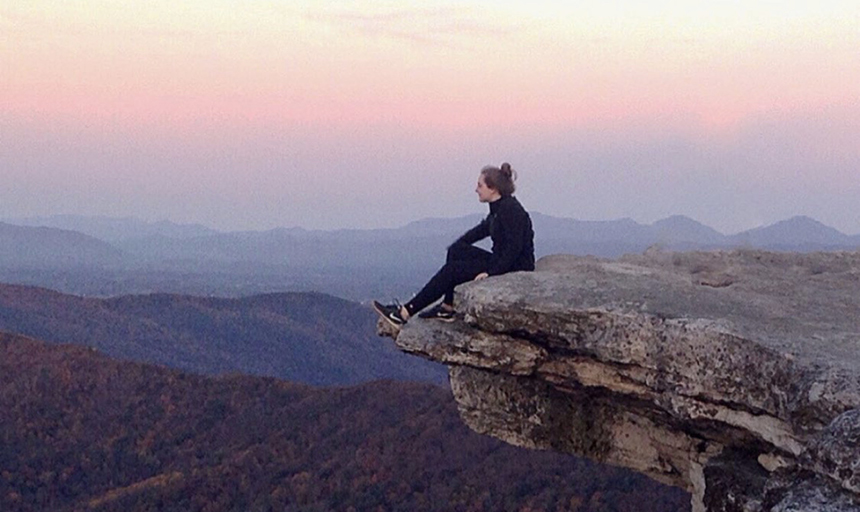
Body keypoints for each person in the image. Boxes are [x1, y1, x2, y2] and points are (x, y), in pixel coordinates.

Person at [373, 162, 535, 327]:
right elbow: (482, 230)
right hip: (502, 260)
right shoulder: (499, 208)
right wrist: (458, 246)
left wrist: (491, 273)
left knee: (452, 271)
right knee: (456, 251)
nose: (476, 189)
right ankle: (447, 307)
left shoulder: (510, 210)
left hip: (515, 267)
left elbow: (514, 249)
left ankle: (404, 313)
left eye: (480, 185)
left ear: (492, 188)